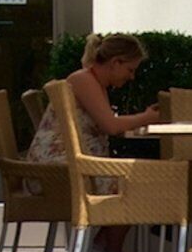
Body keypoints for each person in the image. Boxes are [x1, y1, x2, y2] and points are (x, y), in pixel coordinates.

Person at [27, 33, 165, 161]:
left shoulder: (96, 83)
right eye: (130, 70)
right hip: (59, 170)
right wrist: (146, 118)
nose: (132, 77)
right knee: (144, 179)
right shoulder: (83, 80)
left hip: (72, 166)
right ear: (116, 63)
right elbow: (110, 126)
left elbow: (110, 125)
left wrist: (145, 119)